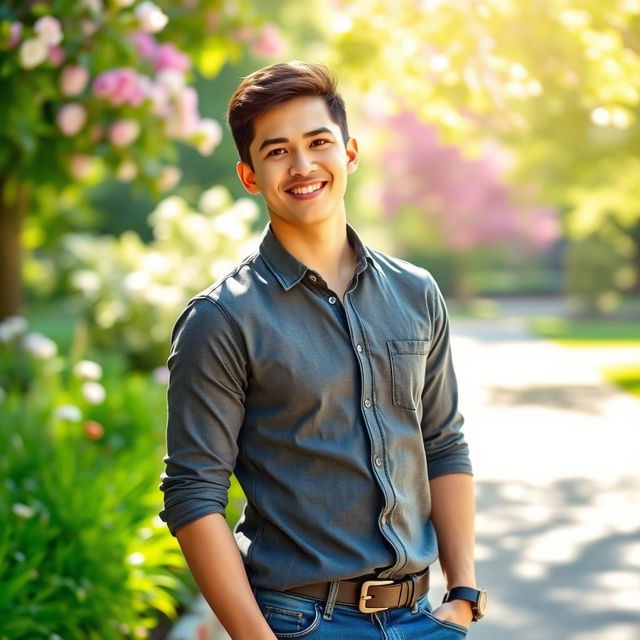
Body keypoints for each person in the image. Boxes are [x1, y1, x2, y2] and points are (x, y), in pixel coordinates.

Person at [159, 60, 487, 640]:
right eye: (278, 150)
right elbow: (194, 494)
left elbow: (442, 442)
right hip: (300, 622)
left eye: (318, 142)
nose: (303, 165)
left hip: (424, 619)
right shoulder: (221, 320)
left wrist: (462, 595)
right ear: (250, 175)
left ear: (350, 153)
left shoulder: (417, 293)